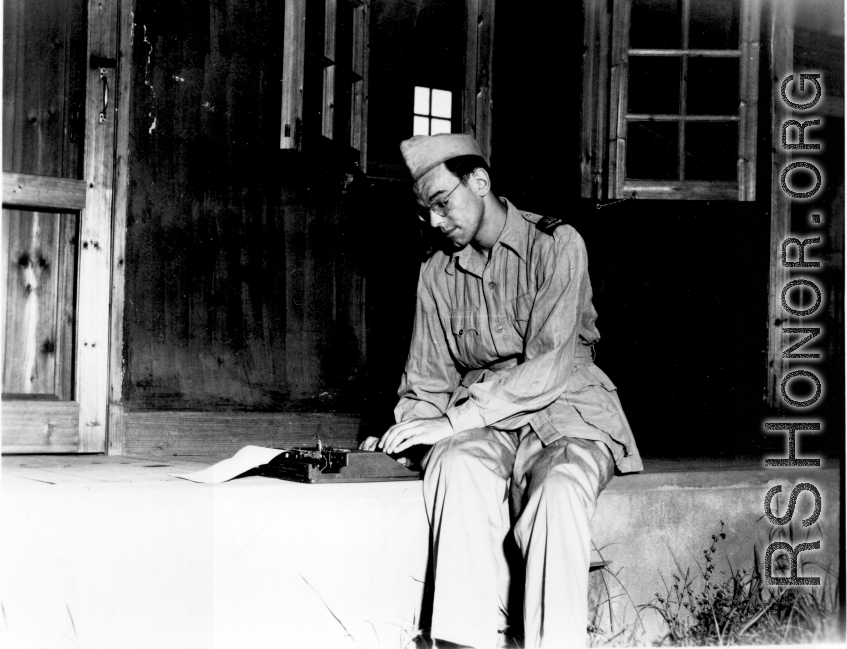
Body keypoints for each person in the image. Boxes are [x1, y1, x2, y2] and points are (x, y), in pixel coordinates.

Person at [360, 133, 642, 649]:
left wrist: (450, 421)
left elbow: (551, 364)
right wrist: (404, 432)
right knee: (454, 464)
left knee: (558, 492)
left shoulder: (558, 243)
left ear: (481, 182)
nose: (436, 223)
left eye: (443, 204)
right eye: (426, 213)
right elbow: (429, 377)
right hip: (483, 417)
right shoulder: (436, 272)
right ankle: (462, 642)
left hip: (568, 408)